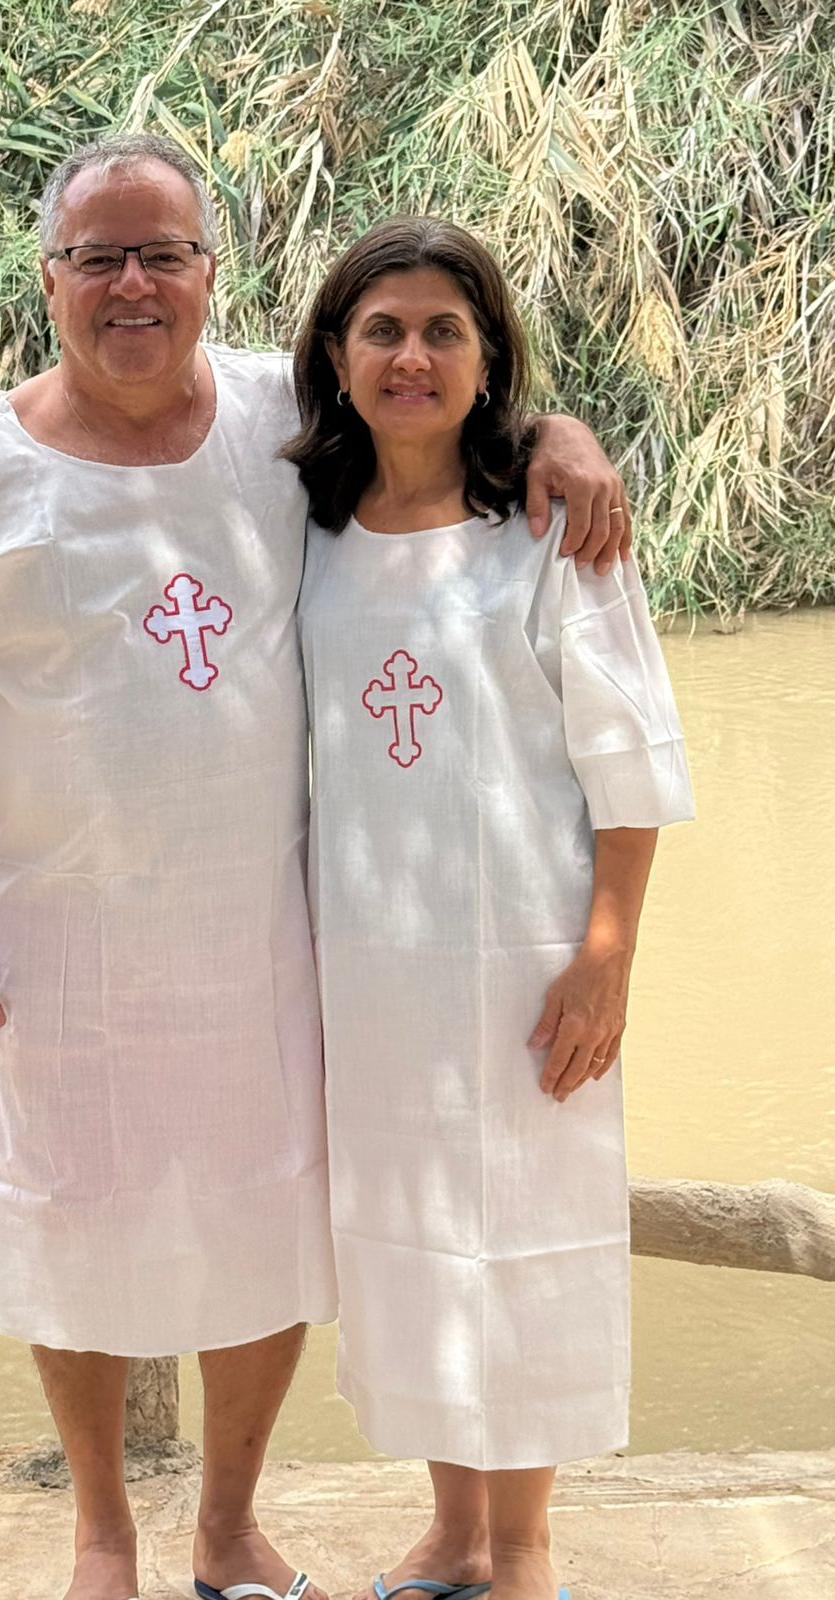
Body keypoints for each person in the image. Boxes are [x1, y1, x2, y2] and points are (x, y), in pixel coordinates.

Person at [0, 138, 631, 1600]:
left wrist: (560, 433)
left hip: (264, 926)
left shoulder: (280, 414)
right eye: (99, 257)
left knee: (264, 1219)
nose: (133, 285)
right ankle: (101, 1534)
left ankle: (227, 1528)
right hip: (55, 934)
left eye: (164, 254)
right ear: (51, 278)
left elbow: (436, 399)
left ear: (213, 271)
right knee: (69, 1218)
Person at [287, 218, 694, 1600]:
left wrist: (607, 955)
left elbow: (628, 753)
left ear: (488, 358)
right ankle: (452, 1529)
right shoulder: (309, 532)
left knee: (524, 1231)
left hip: (529, 952)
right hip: (377, 969)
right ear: (336, 360)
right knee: (411, 1235)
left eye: (442, 331)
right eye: (382, 330)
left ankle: (520, 1552)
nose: (410, 356)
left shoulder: (547, 529)